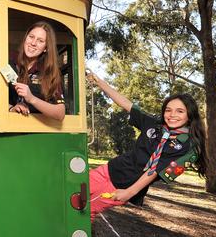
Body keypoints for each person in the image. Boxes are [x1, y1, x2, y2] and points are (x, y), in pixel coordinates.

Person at [86, 70, 207, 222]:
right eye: (168, 110)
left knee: (84, 212)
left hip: (124, 185)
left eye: (180, 111)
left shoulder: (189, 147)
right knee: (70, 193)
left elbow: (155, 171)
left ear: (190, 115)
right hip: (109, 169)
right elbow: (127, 104)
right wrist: (99, 82)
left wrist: (129, 193)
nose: (172, 115)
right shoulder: (154, 124)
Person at [0, 21, 66, 120]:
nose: (33, 43)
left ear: (46, 48)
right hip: (0, 124)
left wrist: (32, 99)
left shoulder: (50, 72)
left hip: (31, 129)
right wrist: (10, 108)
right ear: (25, 38)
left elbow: (60, 113)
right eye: (31, 37)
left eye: (40, 41)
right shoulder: (5, 59)